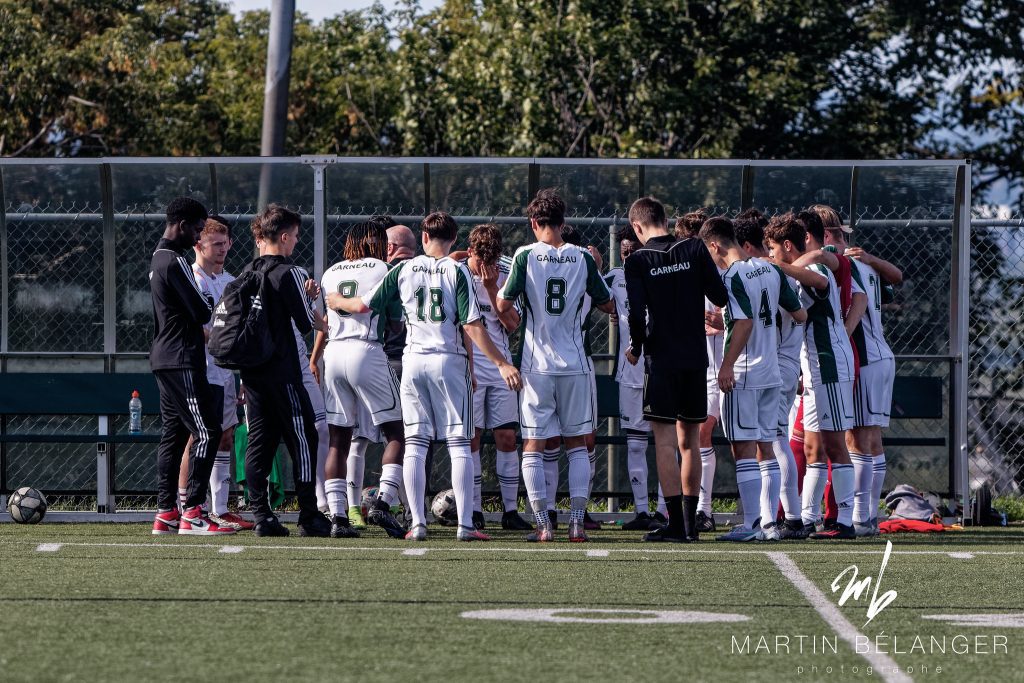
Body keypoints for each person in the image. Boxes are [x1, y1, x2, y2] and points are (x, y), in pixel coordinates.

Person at [329, 211, 521, 542]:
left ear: (423, 237)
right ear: (453, 239)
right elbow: (472, 325)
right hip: (449, 361)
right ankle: (465, 526)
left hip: (413, 360)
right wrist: (501, 362)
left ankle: (417, 523)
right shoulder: (456, 270)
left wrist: (335, 300)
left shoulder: (403, 268)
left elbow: (363, 306)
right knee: (459, 443)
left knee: (415, 443)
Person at [497, 190, 613, 542]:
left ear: (534, 223)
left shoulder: (524, 255)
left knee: (533, 443)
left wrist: (520, 321)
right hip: (576, 364)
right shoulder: (582, 256)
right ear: (564, 222)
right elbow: (607, 304)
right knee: (579, 443)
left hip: (536, 366)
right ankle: (577, 523)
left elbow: (503, 305)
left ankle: (543, 525)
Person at [624, 197, 727, 543]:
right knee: (691, 443)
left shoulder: (638, 259)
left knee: (665, 442)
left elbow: (637, 314)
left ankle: (674, 525)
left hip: (662, 360)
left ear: (638, 227)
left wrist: (637, 347)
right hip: (696, 358)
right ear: (665, 219)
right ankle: (689, 524)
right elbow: (720, 295)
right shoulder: (696, 248)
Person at [700, 217, 806, 542]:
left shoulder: (731, 276)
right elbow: (800, 314)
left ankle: (750, 525)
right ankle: (769, 526)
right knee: (767, 446)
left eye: (709, 252)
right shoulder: (771, 269)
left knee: (743, 449)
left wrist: (726, 365)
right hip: (772, 371)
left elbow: (743, 324)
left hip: (744, 371)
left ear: (715, 245)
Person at [766, 212, 862, 539]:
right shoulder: (797, 272)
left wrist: (779, 267)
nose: (771, 254)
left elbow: (821, 280)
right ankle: (807, 517)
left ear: (788, 246)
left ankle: (844, 521)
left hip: (830, 362)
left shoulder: (813, 268)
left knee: (836, 444)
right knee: (812, 448)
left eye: (773, 248)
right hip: (813, 367)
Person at [311, 222, 407, 539]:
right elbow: (394, 323)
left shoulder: (330, 273)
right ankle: (383, 501)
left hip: (333, 353)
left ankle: (339, 518)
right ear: (378, 243)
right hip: (367, 349)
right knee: (397, 431)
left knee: (338, 439)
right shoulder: (383, 268)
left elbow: (320, 320)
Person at [734, 212, 826, 538]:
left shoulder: (774, 274)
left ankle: (787, 517)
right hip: (785, 362)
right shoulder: (781, 274)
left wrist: (773, 264)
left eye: (773, 249)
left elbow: (812, 295)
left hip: (777, 362)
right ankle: (787, 515)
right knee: (776, 439)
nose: (770, 255)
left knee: (773, 442)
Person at [240, 204, 329, 538]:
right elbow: (305, 322)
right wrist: (310, 303)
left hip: (254, 374)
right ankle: (309, 516)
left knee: (260, 444)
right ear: (285, 235)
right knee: (304, 438)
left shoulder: (248, 271)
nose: (295, 243)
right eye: (294, 237)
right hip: (284, 372)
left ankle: (262, 515)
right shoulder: (290, 271)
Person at [149, 197, 234, 536]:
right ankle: (194, 512)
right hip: (183, 357)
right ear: (183, 226)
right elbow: (202, 311)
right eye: (198, 229)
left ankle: (166, 511)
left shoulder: (156, 258)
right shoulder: (176, 261)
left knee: (174, 435)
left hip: (164, 357)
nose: (198, 236)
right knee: (209, 431)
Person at [822, 223, 902, 536]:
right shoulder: (864, 264)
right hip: (882, 356)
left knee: (858, 438)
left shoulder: (848, 265)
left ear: (827, 237)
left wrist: (840, 336)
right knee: (871, 439)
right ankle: (868, 515)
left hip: (866, 359)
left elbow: (860, 301)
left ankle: (860, 516)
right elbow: (895, 279)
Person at [176, 215, 254, 530]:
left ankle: (219, 509)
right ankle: (188, 508)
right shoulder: (193, 278)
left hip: (224, 371)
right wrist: (224, 339)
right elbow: (196, 328)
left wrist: (243, 373)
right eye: (215, 244)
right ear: (199, 244)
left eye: (226, 243)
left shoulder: (232, 281)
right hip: (201, 370)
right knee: (197, 437)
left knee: (224, 435)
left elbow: (242, 330)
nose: (222, 249)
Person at [458, 224, 533, 531]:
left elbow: (513, 323)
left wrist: (492, 288)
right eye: (480, 259)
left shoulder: (502, 274)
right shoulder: (458, 271)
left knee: (507, 437)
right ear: (471, 251)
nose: (485, 266)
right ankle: (474, 509)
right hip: (470, 365)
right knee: (472, 439)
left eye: (492, 259)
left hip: (501, 367)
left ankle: (510, 510)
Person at [605, 226, 658, 531]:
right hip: (630, 371)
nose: (627, 254)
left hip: (660, 368)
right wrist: (612, 310)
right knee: (636, 445)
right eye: (624, 250)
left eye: (632, 249)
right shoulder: (614, 277)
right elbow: (597, 297)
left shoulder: (660, 273)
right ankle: (641, 511)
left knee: (668, 441)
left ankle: (666, 509)